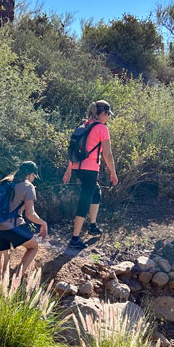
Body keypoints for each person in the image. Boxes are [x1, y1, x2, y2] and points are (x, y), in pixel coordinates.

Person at [62, 100, 119, 250]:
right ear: (102, 113)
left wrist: (69, 169)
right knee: (85, 200)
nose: (108, 117)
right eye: (107, 114)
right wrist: (113, 173)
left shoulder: (83, 125)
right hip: (90, 169)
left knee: (95, 191)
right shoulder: (102, 128)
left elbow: (73, 149)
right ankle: (75, 238)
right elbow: (108, 154)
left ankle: (92, 225)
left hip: (77, 167)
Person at [0, 161, 48, 277]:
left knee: (3, 269)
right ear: (31, 174)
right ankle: (17, 277)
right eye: (34, 176)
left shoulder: (4, 182)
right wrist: (43, 223)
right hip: (13, 227)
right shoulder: (27, 186)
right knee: (33, 247)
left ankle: (3, 286)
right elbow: (30, 214)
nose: (33, 179)